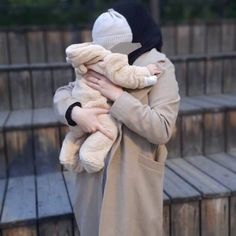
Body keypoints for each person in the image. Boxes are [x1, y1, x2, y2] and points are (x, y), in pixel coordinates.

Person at [53, 2, 180, 236]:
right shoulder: (102, 56)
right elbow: (64, 91)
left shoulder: (159, 67)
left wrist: (118, 96)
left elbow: (162, 128)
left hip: (132, 177)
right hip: (94, 175)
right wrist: (76, 112)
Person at [60, 40, 162, 173]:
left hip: (83, 108)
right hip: (98, 111)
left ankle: (67, 156)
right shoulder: (108, 60)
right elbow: (127, 77)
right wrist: (147, 74)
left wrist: (77, 113)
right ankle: (90, 155)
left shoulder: (83, 60)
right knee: (109, 130)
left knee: (76, 134)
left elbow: (161, 130)